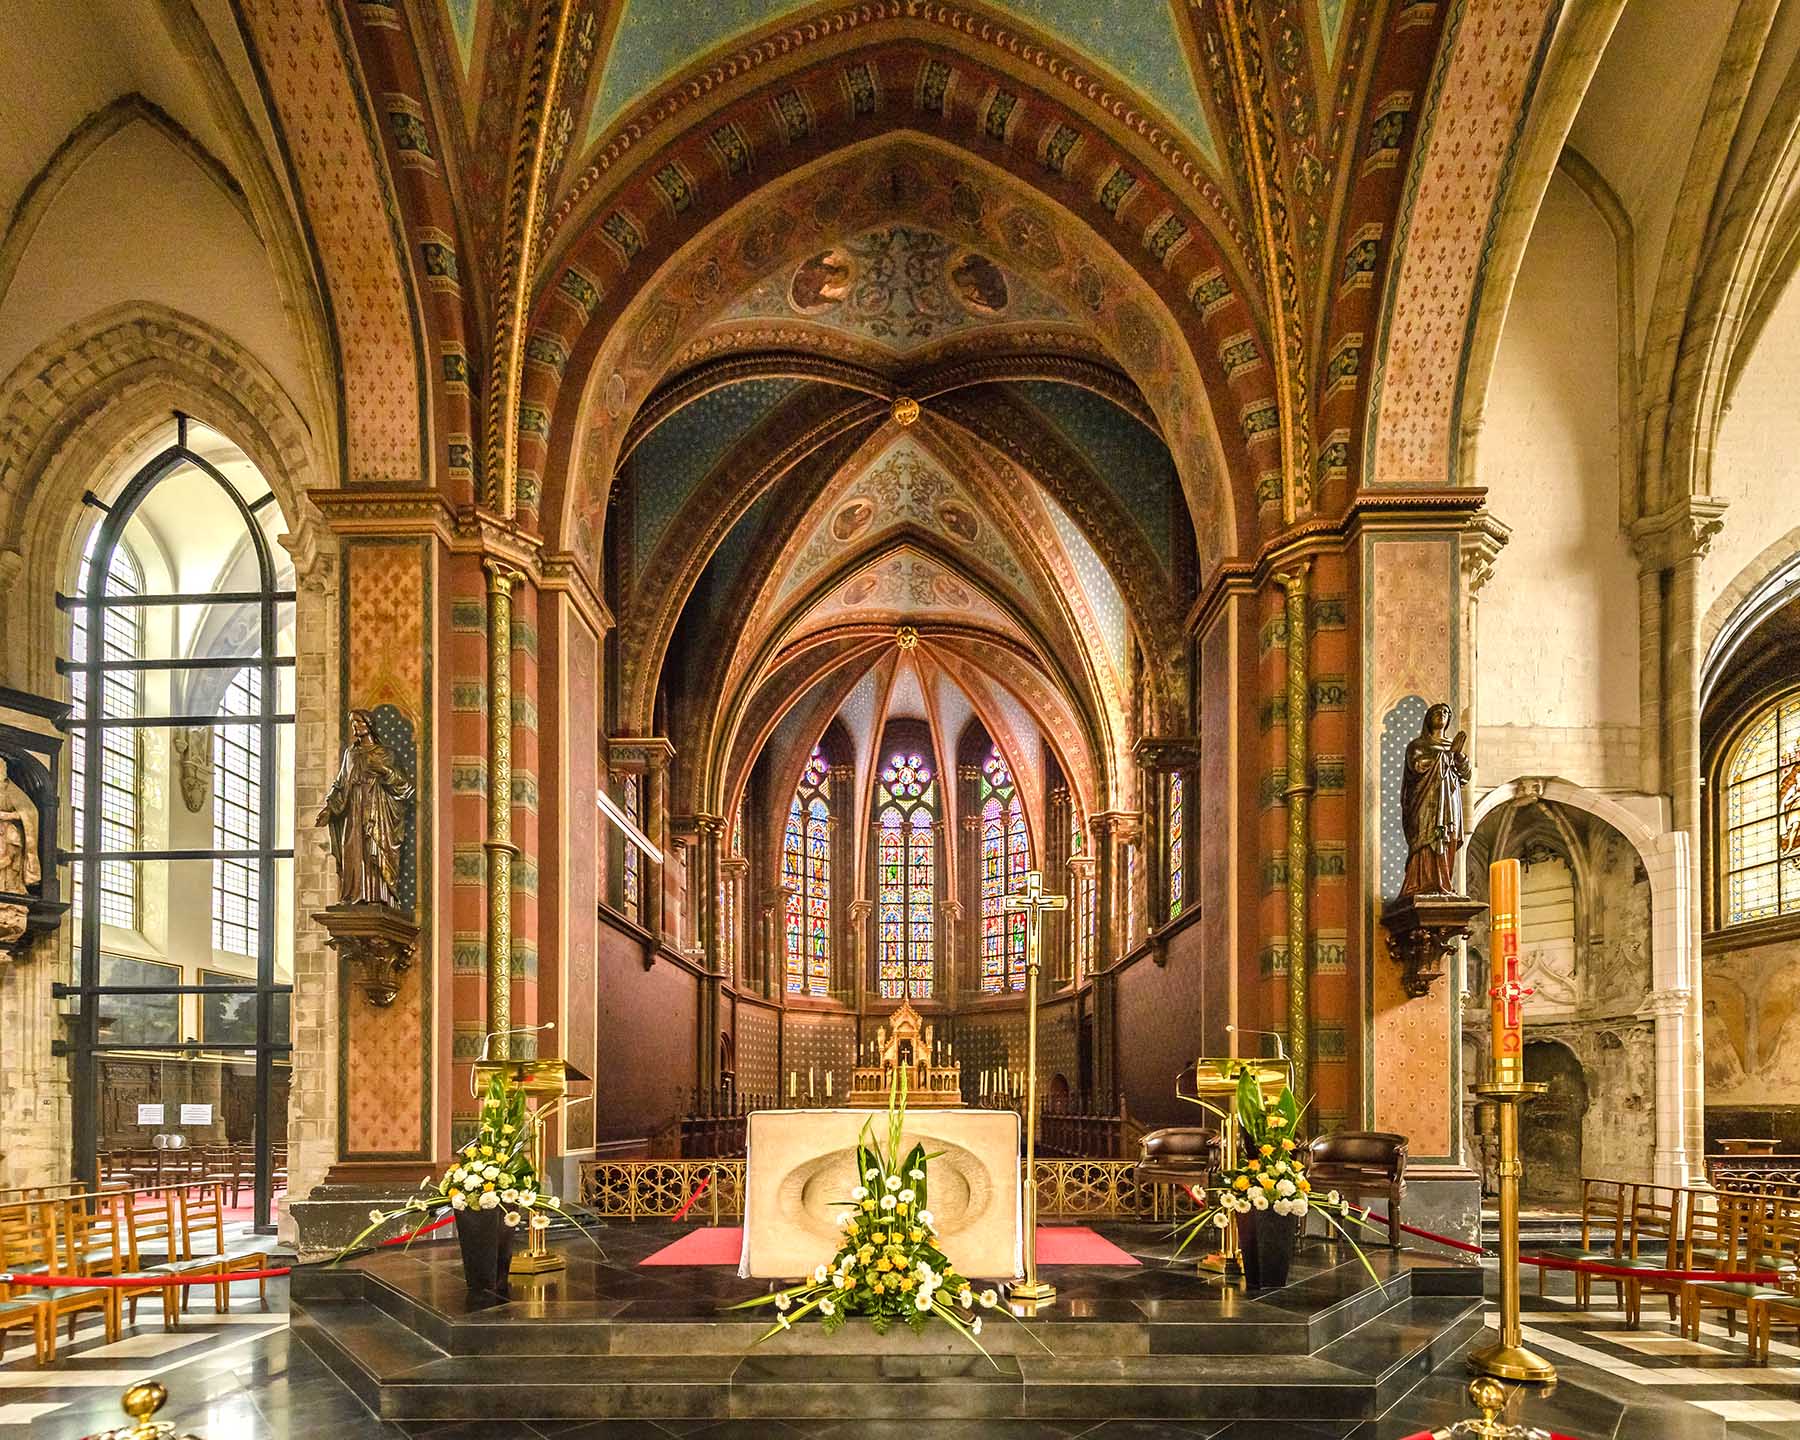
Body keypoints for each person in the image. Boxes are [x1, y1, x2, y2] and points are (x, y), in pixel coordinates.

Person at [316, 709, 414, 907]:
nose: (355, 727)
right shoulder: (350, 754)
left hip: (377, 809)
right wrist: (329, 808)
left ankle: (379, 896)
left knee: (374, 849)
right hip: (353, 809)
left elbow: (405, 788)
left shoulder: (386, 753)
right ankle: (353, 895)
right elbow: (340, 783)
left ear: (369, 725)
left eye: (359, 722)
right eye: (353, 723)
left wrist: (385, 771)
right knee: (352, 850)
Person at [1400, 703, 1471, 897]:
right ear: (1428, 719)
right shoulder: (1418, 745)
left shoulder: (1452, 747)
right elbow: (1417, 766)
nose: (1442, 715)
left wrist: (1458, 756)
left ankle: (1443, 884)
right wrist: (1448, 755)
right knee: (1426, 840)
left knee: (1446, 838)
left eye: (1446, 712)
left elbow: (1465, 776)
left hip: (1449, 801)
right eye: (1437, 712)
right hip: (1425, 802)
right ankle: (1421, 884)